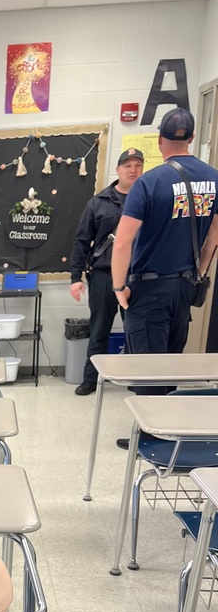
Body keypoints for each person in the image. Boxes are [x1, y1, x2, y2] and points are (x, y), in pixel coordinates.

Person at [112, 108, 218, 442]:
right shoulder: (214, 179)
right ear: (191, 138)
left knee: (147, 368)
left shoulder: (149, 182)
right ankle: (170, 430)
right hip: (185, 285)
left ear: (160, 141)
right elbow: (214, 237)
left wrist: (118, 287)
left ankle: (154, 438)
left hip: (149, 288)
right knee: (172, 363)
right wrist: (199, 272)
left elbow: (123, 241)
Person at [68, 147, 144, 395]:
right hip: (103, 275)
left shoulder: (148, 199)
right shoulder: (98, 203)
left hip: (136, 277)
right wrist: (75, 277)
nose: (132, 170)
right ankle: (91, 378)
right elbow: (81, 242)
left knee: (135, 331)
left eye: (137, 166)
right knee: (99, 329)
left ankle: (136, 380)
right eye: (127, 166)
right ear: (118, 169)